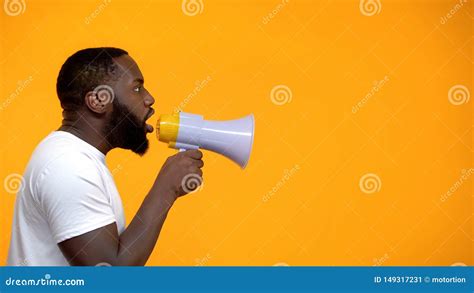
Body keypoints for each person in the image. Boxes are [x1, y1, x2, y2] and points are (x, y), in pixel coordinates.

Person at [7, 47, 204, 266]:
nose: (149, 98)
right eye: (137, 88)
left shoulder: (76, 157)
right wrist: (166, 189)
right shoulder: (68, 165)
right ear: (98, 100)